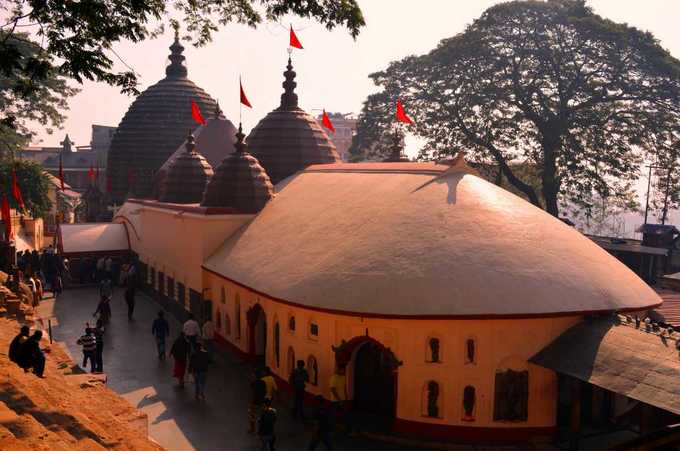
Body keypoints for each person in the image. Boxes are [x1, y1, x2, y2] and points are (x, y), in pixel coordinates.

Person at [329, 365, 348, 432]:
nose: (344, 372)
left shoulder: (343, 377)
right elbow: (333, 389)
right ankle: (332, 428)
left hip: (342, 399)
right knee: (334, 414)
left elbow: (344, 387)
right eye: (343, 370)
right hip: (335, 400)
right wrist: (339, 399)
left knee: (344, 413)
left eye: (344, 370)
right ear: (339, 370)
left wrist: (346, 397)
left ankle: (344, 427)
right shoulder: (334, 378)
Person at [248, 369, 267, 435]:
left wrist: (251, 402)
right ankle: (261, 430)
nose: (251, 377)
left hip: (254, 402)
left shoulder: (253, 383)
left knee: (252, 416)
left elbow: (253, 392)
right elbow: (265, 392)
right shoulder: (263, 382)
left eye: (253, 376)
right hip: (262, 402)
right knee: (261, 416)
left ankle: (252, 430)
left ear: (255, 376)